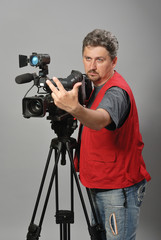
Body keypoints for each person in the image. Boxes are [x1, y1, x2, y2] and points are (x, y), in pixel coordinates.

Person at [46, 29, 151, 240]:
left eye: (100, 60)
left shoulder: (116, 91)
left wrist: (74, 108)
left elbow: (101, 120)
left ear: (113, 62)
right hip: (98, 183)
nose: (92, 66)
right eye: (87, 58)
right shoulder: (92, 88)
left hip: (117, 188)